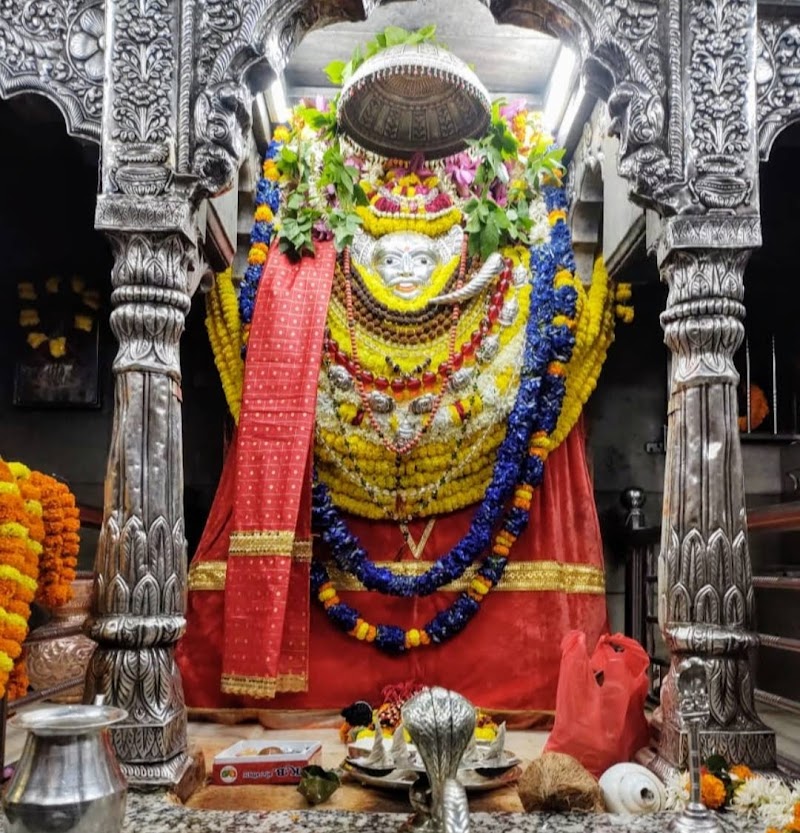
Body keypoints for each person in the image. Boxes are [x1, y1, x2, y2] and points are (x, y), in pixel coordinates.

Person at [177, 39, 627, 725]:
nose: (407, 274)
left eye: (423, 254)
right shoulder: (305, 278)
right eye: (390, 255)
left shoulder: (519, 289)